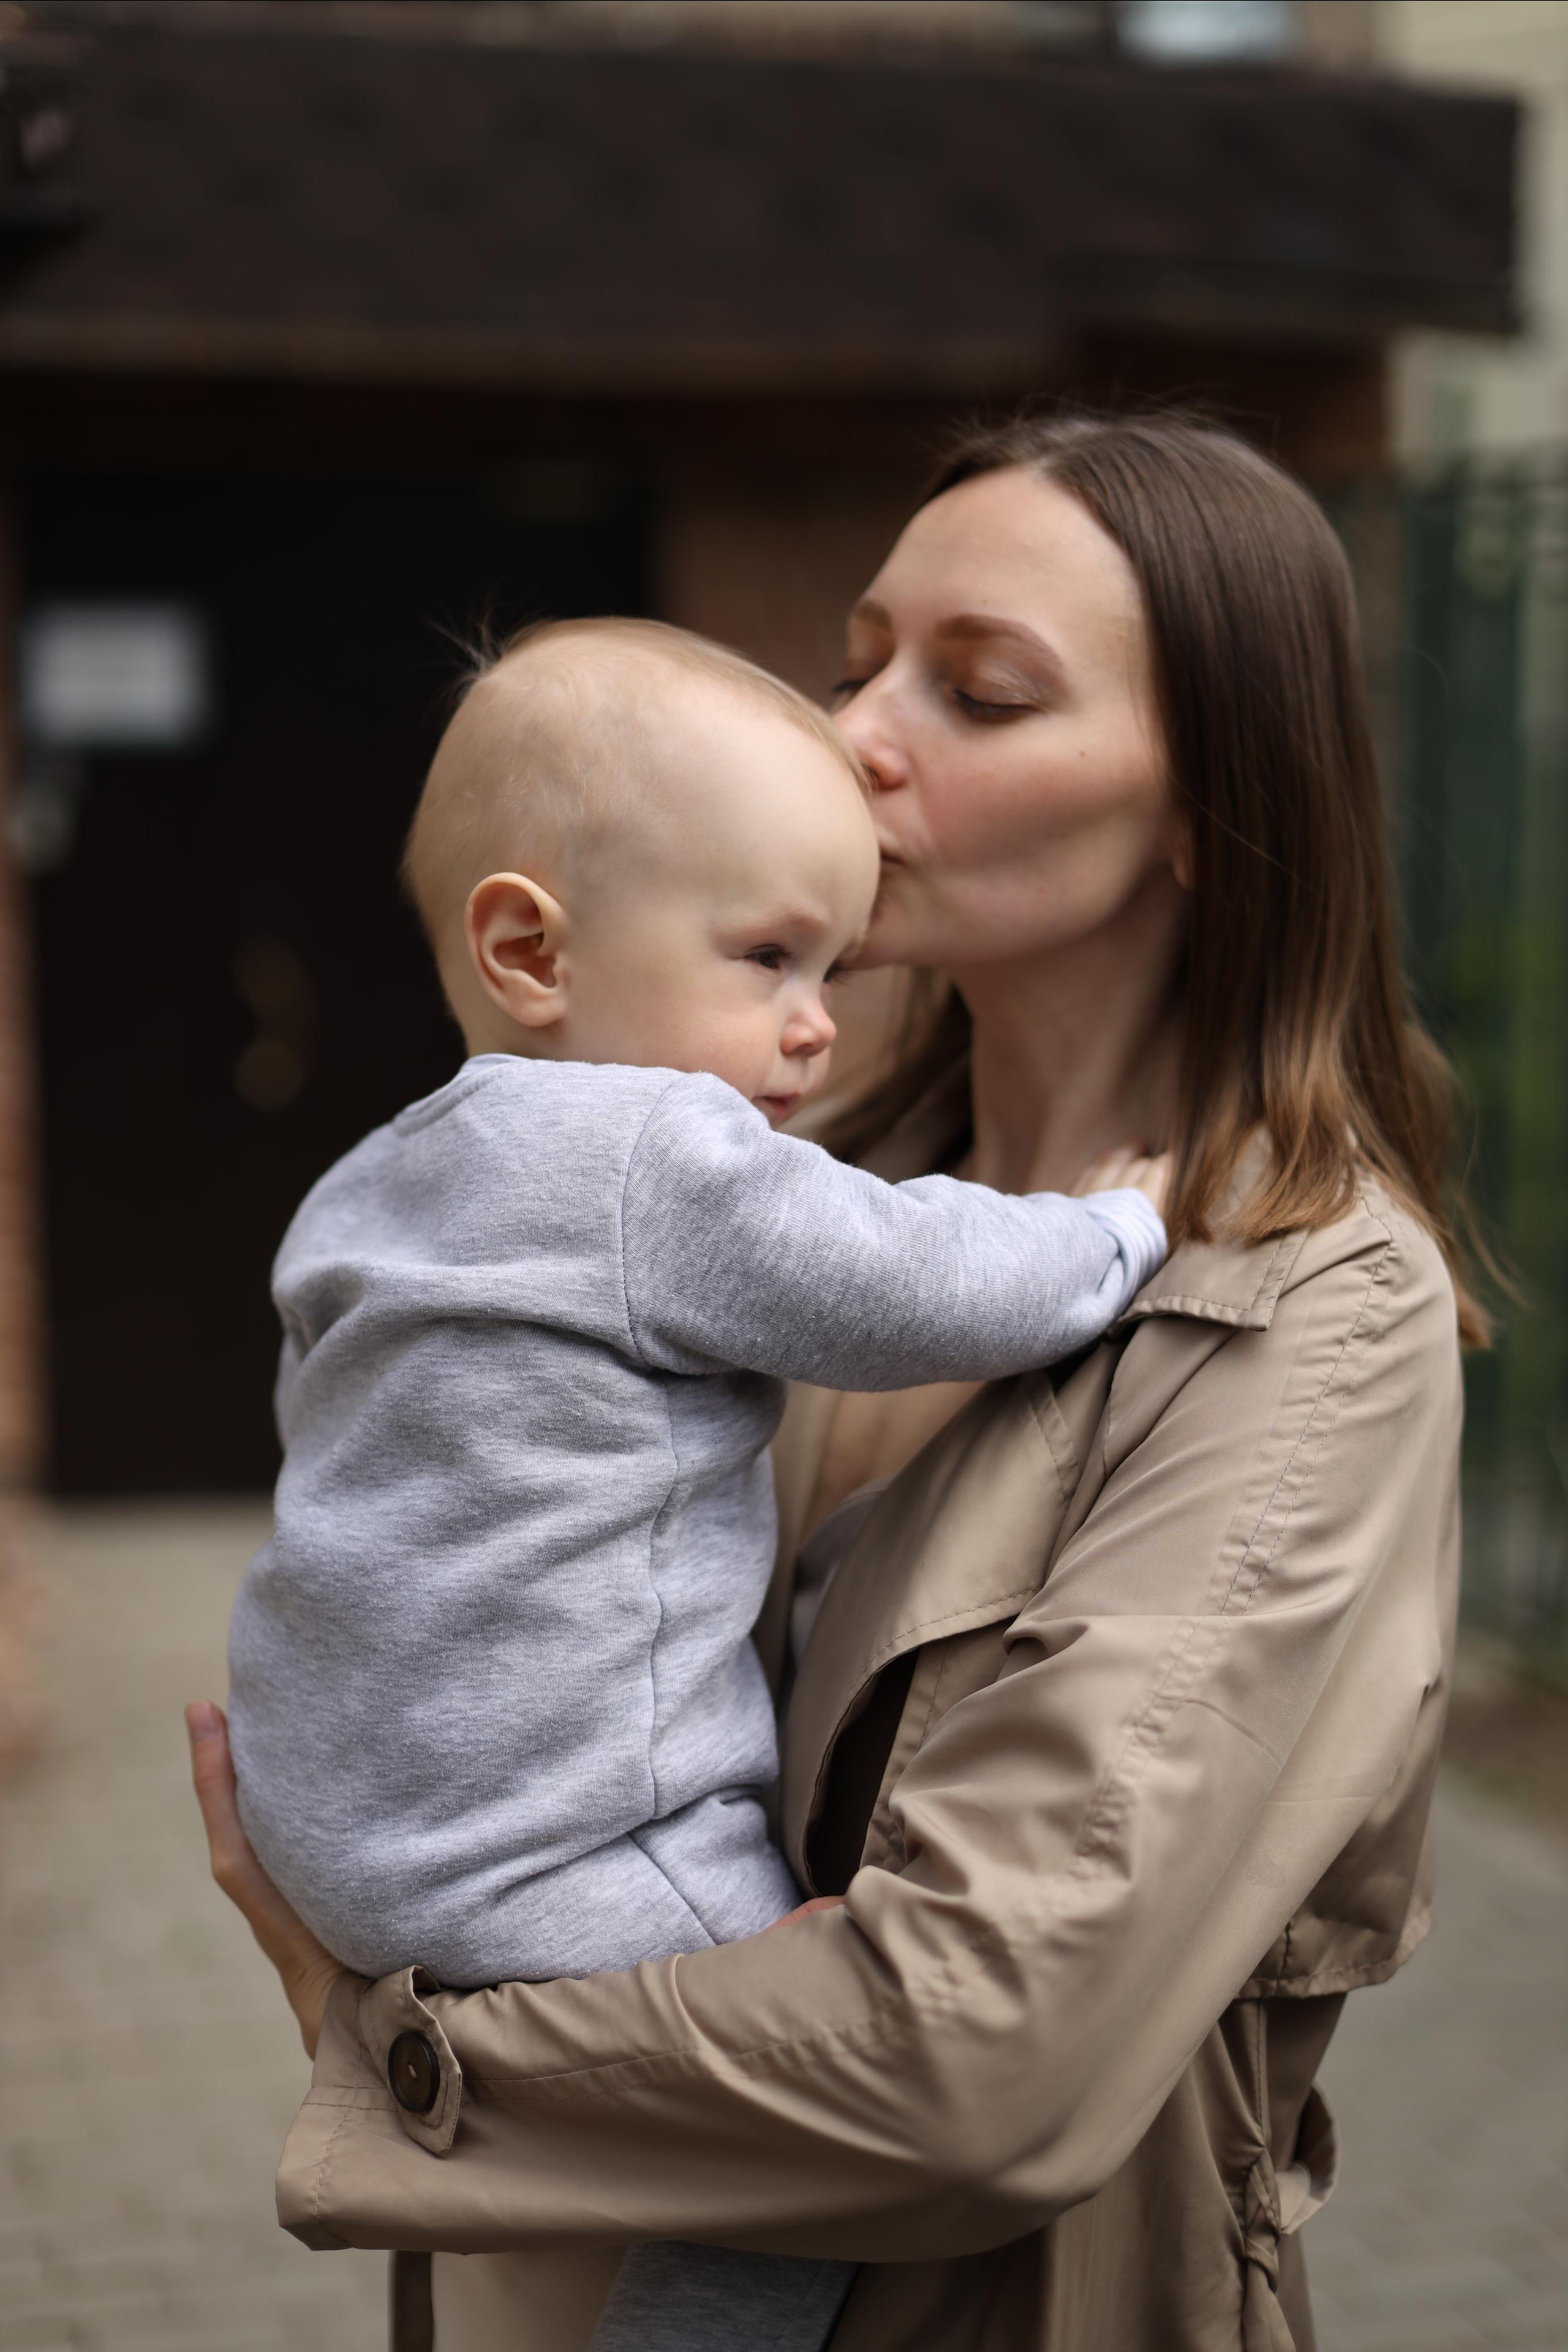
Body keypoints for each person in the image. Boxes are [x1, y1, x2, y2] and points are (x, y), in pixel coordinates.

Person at [189, 412, 1472, 2352]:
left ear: (1212, 806)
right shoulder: (769, 1190)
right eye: (862, 657)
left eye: (978, 691)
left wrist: (393, 2046)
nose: (859, 734)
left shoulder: (1306, 1299)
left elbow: (977, 2063)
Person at [224, 612, 1167, 2352]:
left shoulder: (372, 1179)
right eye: (770, 960)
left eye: (837, 973)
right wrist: (1118, 1228)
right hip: (552, 1848)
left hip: (323, 1806)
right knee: (812, 2128)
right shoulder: (657, 1150)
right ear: (532, 951)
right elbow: (905, 1281)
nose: (816, 1031)